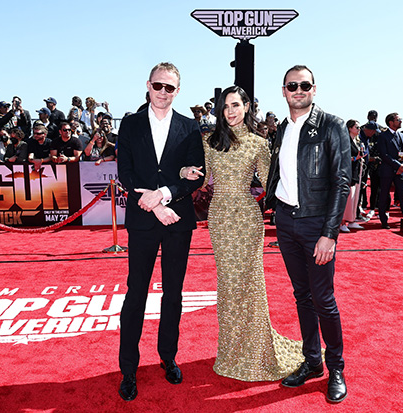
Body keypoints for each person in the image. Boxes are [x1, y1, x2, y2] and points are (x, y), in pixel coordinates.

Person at [182, 85, 304, 381]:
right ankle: (231, 352)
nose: (231, 111)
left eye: (236, 105)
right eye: (226, 107)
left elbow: (270, 182)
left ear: (247, 107)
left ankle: (257, 352)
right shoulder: (210, 142)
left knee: (251, 284)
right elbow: (199, 180)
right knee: (228, 285)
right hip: (221, 218)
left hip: (248, 220)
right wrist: (184, 171)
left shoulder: (258, 144)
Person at [116, 62, 205, 402]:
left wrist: (166, 195)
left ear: (178, 91)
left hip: (177, 222)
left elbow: (195, 173)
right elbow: (126, 172)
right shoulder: (130, 123)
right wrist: (154, 205)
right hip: (143, 221)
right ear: (148, 85)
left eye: (170, 88)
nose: (163, 93)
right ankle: (129, 368)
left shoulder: (189, 127)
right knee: (135, 292)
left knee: (174, 293)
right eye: (158, 86)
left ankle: (168, 357)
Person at [265, 65, 350, 404]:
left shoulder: (333, 126)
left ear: (314, 89)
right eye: (291, 85)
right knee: (302, 295)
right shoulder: (282, 129)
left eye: (304, 85)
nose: (298, 90)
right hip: (286, 223)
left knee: (323, 299)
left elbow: (341, 182)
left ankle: (336, 368)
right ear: (284, 91)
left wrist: (330, 233)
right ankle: (312, 361)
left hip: (317, 225)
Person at [377, 113, 403, 229]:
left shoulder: (402, 136)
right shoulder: (383, 136)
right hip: (388, 170)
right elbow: (384, 154)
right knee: (384, 195)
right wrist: (398, 166)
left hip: (401, 171)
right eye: (398, 120)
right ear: (391, 122)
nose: (400, 121)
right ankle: (383, 220)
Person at [341, 119, 365, 232]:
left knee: (355, 197)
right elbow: (342, 157)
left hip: (357, 171)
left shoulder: (358, 141)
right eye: (357, 127)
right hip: (347, 172)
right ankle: (342, 222)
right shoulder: (345, 141)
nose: (359, 129)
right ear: (350, 128)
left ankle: (351, 220)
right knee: (347, 198)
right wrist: (355, 158)